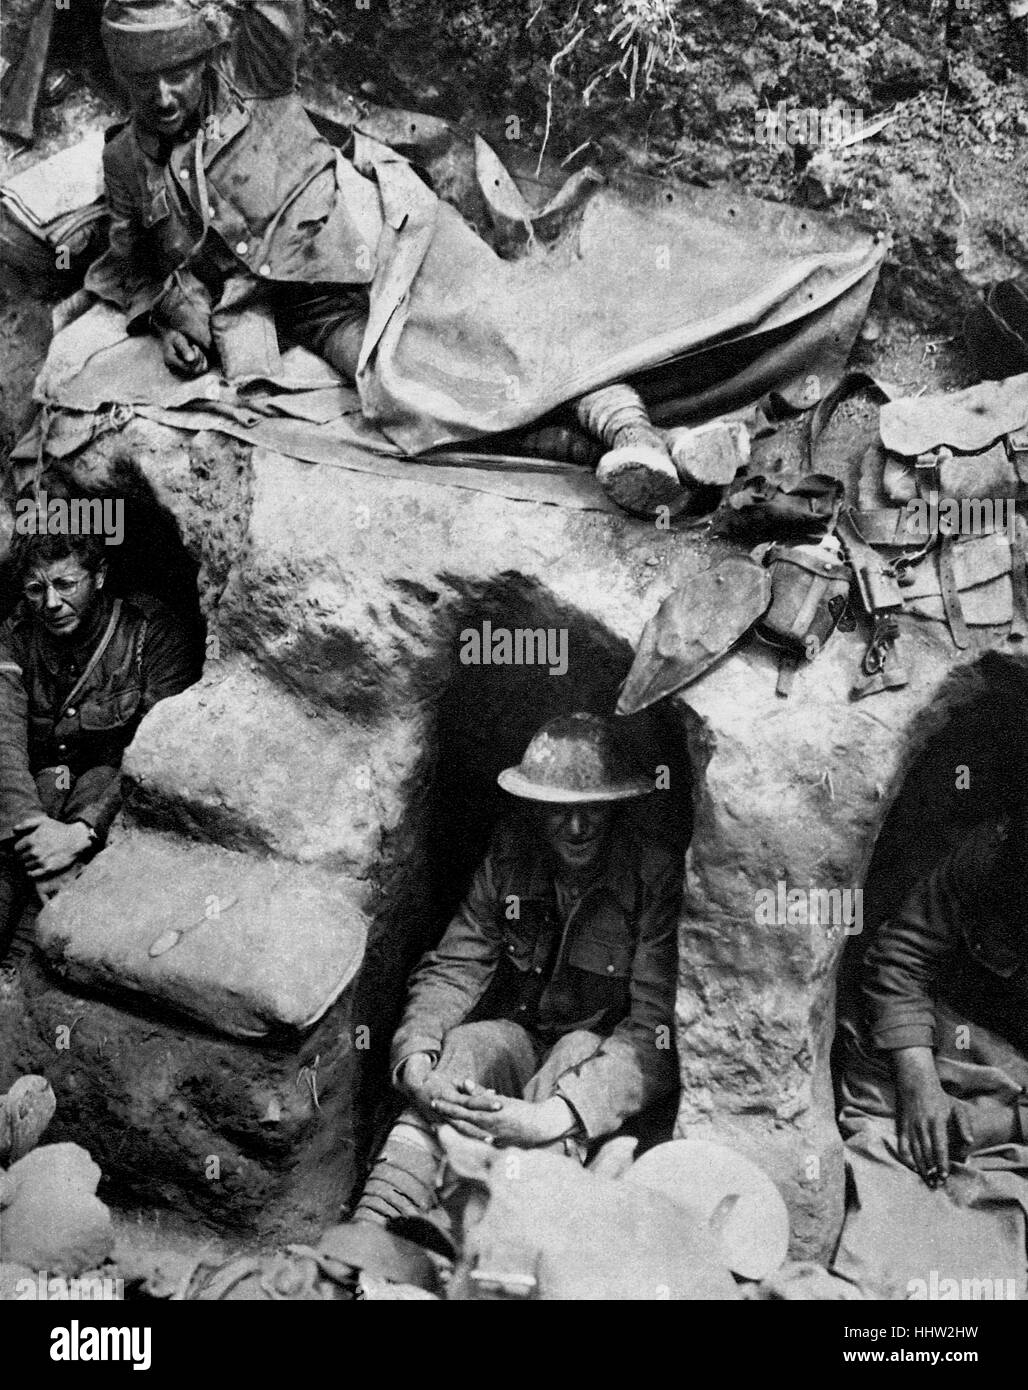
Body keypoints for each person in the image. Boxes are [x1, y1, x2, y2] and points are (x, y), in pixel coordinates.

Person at [84, 0, 692, 515]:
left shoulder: (254, 72)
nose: (163, 96)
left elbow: (275, 10)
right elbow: (130, 263)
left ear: (205, 59)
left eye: (178, 73)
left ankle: (627, 426)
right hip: (307, 306)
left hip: (384, 235)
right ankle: (633, 457)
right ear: (122, 80)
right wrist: (165, 319)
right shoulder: (124, 162)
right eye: (143, 82)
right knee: (408, 398)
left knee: (501, 327)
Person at [353, 711, 682, 1224]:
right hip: (519, 1046)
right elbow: (455, 966)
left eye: (592, 809)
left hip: (592, 1075)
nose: (576, 828)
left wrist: (552, 1116)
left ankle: (498, 1235)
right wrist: (416, 1062)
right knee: (473, 1044)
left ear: (618, 806)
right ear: (534, 806)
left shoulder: (651, 875)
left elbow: (654, 1031)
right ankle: (375, 1230)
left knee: (575, 1052)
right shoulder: (512, 853)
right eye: (558, 810)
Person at [832, 729, 1028, 1299]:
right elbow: (900, 960)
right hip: (949, 1042)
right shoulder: (992, 852)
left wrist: (995, 1123)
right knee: (888, 1140)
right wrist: (917, 1081)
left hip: (1014, 1085)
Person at [0, 528, 201, 956]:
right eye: (37, 589)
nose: (51, 604)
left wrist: (83, 831)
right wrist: (36, 837)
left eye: (66, 584)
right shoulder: (14, 634)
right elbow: (4, 742)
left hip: (109, 806)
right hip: (32, 805)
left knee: (96, 783)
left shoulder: (152, 635)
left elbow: (158, 748)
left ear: (100, 576)